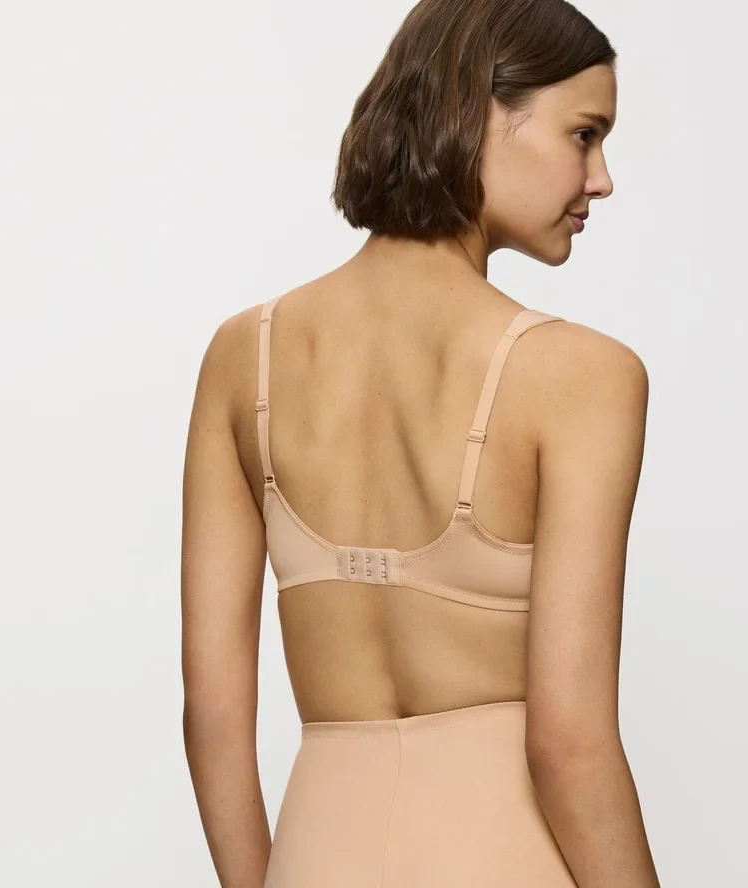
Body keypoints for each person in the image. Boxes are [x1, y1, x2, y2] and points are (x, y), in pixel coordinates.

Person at [181, 0, 661, 886]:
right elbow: (570, 744)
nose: (601, 180)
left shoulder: (242, 357)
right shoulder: (583, 378)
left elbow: (212, 712)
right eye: (584, 134)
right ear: (475, 112)